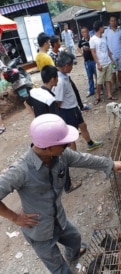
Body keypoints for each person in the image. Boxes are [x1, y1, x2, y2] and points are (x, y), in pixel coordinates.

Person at [0, 113, 121, 274]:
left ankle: (73, 254)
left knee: (74, 238)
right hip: (38, 229)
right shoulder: (21, 170)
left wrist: (110, 164)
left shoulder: (60, 155)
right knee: (55, 261)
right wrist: (15, 217)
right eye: (63, 143)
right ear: (48, 148)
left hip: (59, 218)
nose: (68, 144)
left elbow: (85, 159)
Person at [24, 65, 81, 194]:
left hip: (39, 131)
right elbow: (57, 119)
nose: (57, 81)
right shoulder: (50, 99)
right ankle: (68, 185)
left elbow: (26, 103)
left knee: (41, 155)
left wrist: (35, 118)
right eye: (56, 78)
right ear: (52, 79)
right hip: (50, 133)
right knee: (60, 156)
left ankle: (47, 182)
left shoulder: (34, 91)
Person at [54, 51, 103, 151]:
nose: (72, 68)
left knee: (83, 125)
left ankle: (90, 143)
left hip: (73, 108)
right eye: (71, 65)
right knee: (71, 135)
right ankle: (74, 156)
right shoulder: (60, 81)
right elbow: (58, 101)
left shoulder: (64, 76)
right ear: (66, 65)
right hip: (68, 111)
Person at [90, 20, 118, 105]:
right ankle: (98, 97)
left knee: (108, 80)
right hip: (101, 63)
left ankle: (109, 95)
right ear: (99, 28)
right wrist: (98, 64)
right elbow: (93, 52)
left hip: (108, 62)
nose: (104, 28)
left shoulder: (104, 37)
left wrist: (111, 59)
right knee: (99, 82)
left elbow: (107, 49)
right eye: (102, 27)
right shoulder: (93, 39)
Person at [104, 15, 121, 91]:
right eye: (112, 21)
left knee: (120, 70)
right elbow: (104, 43)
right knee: (113, 71)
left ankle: (120, 83)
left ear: (116, 21)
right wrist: (108, 52)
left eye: (114, 20)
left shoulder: (120, 31)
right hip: (112, 56)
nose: (113, 22)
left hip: (120, 54)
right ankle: (114, 84)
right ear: (109, 22)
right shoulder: (106, 31)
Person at [77, 26, 97, 98]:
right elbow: (78, 47)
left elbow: (95, 49)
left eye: (85, 32)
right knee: (90, 77)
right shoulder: (81, 41)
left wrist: (89, 50)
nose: (84, 33)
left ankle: (100, 89)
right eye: (82, 32)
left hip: (94, 60)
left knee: (97, 75)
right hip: (87, 61)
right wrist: (82, 53)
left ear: (88, 32)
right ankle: (91, 91)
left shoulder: (92, 39)